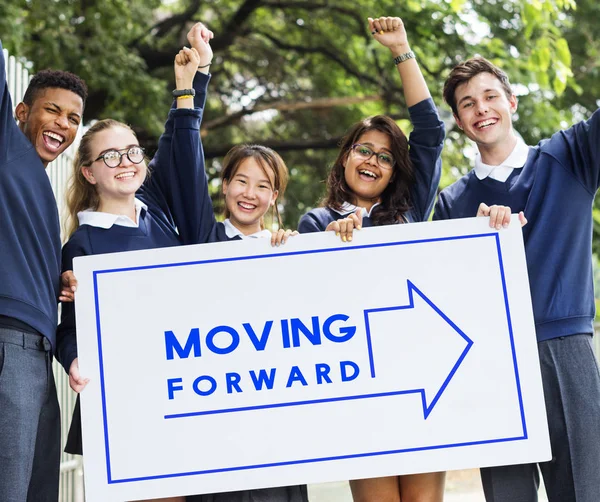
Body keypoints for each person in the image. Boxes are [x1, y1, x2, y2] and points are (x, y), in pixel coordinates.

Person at [433, 55, 600, 502]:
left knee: (585, 491)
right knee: (507, 495)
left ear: (512, 102)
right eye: (468, 104)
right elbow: (447, 291)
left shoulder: (569, 156)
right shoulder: (453, 204)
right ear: (459, 121)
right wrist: (475, 238)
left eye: (490, 96)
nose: (481, 108)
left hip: (565, 351)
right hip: (494, 362)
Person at [298, 16, 445, 502]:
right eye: (364, 149)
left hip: (419, 380)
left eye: (385, 157)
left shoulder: (410, 214)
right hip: (360, 389)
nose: (372, 161)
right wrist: (331, 244)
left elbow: (429, 130)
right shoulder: (314, 224)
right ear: (345, 158)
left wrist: (402, 50)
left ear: (393, 173)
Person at [0, 37, 86, 501]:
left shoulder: (39, 188)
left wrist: (55, 281)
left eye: (73, 118)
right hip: (7, 345)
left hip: (39, 355)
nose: (63, 124)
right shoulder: (6, 148)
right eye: (52, 110)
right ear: (19, 112)